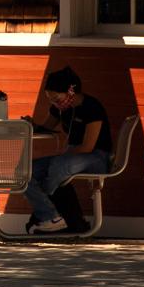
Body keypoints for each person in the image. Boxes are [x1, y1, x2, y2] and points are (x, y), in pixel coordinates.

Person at [21, 66, 112, 234]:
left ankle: (46, 211)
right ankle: (49, 216)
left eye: (56, 98)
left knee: (58, 164)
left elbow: (88, 146)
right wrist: (31, 125)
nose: (54, 103)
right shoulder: (60, 109)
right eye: (50, 99)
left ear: (71, 91)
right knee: (26, 171)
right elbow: (46, 128)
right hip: (71, 156)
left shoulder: (92, 107)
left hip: (96, 157)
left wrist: (63, 156)